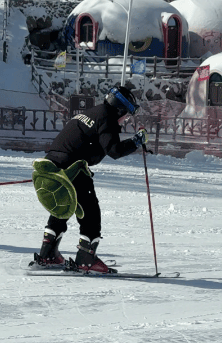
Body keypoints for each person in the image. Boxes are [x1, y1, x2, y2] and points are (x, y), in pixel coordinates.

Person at [31, 86, 146, 273]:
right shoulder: (107, 118)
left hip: (52, 162)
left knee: (64, 204)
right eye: (126, 115)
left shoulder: (94, 112)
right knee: (90, 211)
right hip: (73, 166)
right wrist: (136, 141)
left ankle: (48, 254)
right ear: (119, 109)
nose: (125, 120)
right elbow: (114, 151)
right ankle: (86, 259)